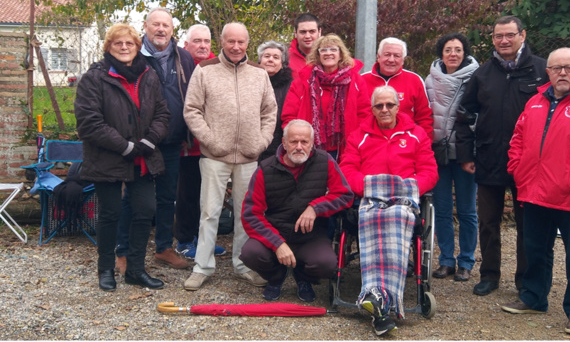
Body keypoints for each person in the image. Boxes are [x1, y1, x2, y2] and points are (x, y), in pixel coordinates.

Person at [501, 48, 570, 336]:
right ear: (548, 72)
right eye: (556, 68)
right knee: (536, 250)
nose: (562, 73)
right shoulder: (534, 103)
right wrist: (518, 168)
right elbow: (517, 139)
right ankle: (533, 298)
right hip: (534, 192)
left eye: (568, 67)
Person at [455, 15, 549, 296]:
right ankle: (489, 275)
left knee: (527, 223)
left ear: (523, 35)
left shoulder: (542, 71)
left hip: (530, 164)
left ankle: (525, 279)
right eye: (498, 36)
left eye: (509, 35)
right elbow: (465, 116)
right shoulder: (482, 74)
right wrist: (465, 155)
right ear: (493, 39)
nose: (504, 41)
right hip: (489, 158)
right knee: (488, 222)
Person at [74, 23, 170, 291]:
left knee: (145, 211)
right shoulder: (94, 78)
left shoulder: (148, 75)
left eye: (129, 43)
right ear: (109, 47)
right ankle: (106, 269)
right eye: (118, 43)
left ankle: (136, 270)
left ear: (137, 46)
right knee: (110, 213)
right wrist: (125, 146)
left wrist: (149, 140)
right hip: (108, 157)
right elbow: (89, 123)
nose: (125, 47)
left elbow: (162, 113)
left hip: (143, 157)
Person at [183, 22, 277, 290]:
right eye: (230, 41)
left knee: (245, 214)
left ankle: (243, 265)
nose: (236, 47)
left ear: (248, 43)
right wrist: (212, 140)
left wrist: (261, 142)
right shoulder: (204, 70)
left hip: (249, 156)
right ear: (221, 42)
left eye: (241, 42)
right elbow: (192, 110)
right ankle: (202, 267)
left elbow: (270, 111)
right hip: (214, 156)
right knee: (209, 212)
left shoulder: (259, 74)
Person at [339, 85, 438, 336]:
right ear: (372, 109)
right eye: (379, 106)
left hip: (403, 203)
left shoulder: (416, 134)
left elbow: (430, 172)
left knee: (395, 216)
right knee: (374, 216)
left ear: (398, 106)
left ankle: (377, 295)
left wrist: (403, 187)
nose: (384, 109)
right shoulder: (358, 135)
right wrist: (373, 187)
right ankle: (382, 300)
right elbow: (347, 170)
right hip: (370, 200)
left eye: (389, 105)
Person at [115, 7, 195, 273]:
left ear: (173, 30)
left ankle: (163, 248)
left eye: (167, 26)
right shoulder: (133, 57)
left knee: (166, 198)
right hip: (141, 142)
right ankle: (123, 251)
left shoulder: (183, 58)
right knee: (133, 198)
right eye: (156, 25)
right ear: (146, 27)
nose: (161, 30)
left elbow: (191, 97)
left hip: (172, 141)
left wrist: (187, 132)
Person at [240, 119, 354, 302]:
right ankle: (276, 277)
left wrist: (316, 208)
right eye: (293, 142)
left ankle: (304, 277)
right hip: (276, 232)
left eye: (304, 142)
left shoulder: (325, 161)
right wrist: (276, 243)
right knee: (250, 253)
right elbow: (250, 214)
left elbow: (345, 195)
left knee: (327, 264)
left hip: (311, 236)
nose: (299, 147)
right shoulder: (265, 169)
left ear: (312, 143)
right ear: (284, 143)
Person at [425, 33, 480, 282]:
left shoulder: (476, 79)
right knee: (443, 209)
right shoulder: (430, 80)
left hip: (466, 153)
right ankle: (446, 259)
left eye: (458, 50)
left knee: (468, 210)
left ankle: (466, 261)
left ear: (464, 52)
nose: (453, 54)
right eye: (448, 50)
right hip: (438, 152)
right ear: (441, 53)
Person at [174, 24, 225, 259]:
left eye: (206, 41)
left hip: (214, 145)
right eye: (197, 41)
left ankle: (205, 240)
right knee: (188, 194)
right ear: (186, 45)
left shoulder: (219, 66)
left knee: (211, 197)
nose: (203, 46)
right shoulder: (179, 66)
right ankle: (184, 240)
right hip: (188, 146)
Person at [282, 33, 370, 160]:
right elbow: (289, 116)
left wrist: (356, 140)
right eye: (323, 50)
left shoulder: (355, 81)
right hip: (308, 148)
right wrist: (296, 141)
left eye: (333, 49)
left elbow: (364, 113)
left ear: (341, 54)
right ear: (318, 55)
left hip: (345, 148)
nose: (328, 53)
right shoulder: (303, 81)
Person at [361, 37, 433, 139]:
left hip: (405, 144)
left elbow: (425, 118)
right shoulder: (361, 80)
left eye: (396, 56)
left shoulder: (414, 80)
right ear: (378, 56)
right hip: (370, 143)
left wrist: (423, 145)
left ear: (403, 60)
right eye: (387, 55)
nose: (391, 60)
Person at [256, 41, 294, 162]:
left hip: (278, 147)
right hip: (251, 147)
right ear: (259, 60)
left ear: (282, 64)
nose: (270, 60)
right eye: (266, 56)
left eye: (276, 57)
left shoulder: (290, 86)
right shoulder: (250, 82)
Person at [288, 13, 321, 78]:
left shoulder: (329, 57)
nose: (307, 36)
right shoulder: (284, 59)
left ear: (319, 32)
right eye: (303, 32)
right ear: (296, 33)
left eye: (312, 31)